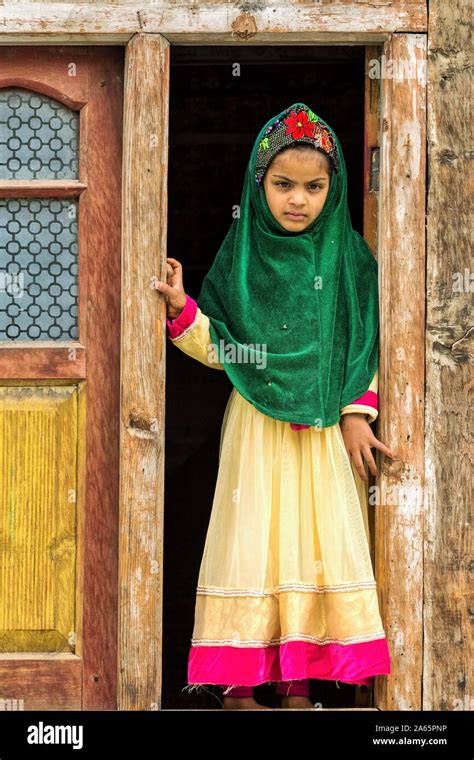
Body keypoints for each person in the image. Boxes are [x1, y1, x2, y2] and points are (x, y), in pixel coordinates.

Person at [154, 103, 395, 710]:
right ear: (257, 186)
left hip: (322, 432)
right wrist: (182, 308)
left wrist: (354, 415)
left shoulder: (351, 261)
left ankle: (297, 688)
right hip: (257, 426)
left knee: (311, 543)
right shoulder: (241, 262)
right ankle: (239, 690)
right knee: (252, 538)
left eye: (314, 187)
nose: (298, 200)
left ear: (332, 190)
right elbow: (226, 349)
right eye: (283, 184)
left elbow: (365, 341)